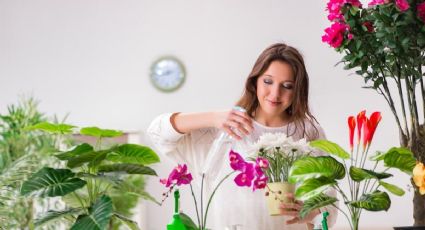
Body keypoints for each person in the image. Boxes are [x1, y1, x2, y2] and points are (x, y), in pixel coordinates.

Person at [147, 43, 337, 230]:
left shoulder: (308, 132)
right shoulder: (227, 128)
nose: (275, 93)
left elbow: (329, 200)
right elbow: (157, 131)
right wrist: (214, 117)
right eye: (268, 81)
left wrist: (311, 211)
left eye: (287, 86)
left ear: (297, 90)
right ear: (255, 81)